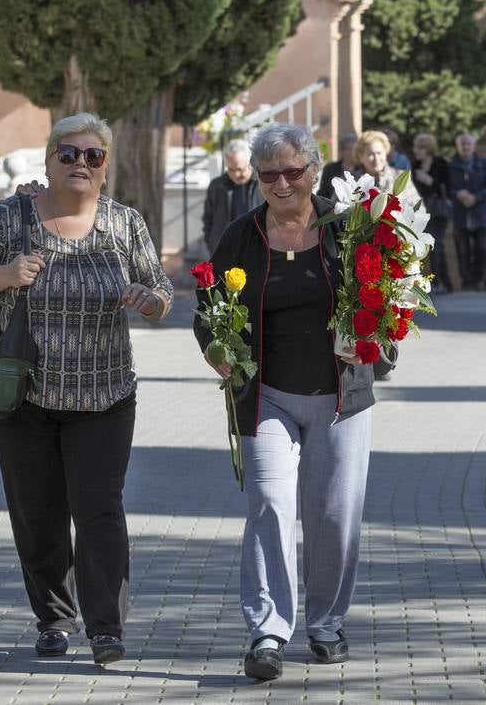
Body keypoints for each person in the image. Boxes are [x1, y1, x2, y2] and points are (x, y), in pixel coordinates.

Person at [0, 113, 173, 666]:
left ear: (105, 167)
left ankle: (106, 628)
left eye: (92, 155)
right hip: (24, 397)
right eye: (68, 154)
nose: (80, 163)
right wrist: (4, 276)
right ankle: (53, 619)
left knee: (99, 510)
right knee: (38, 513)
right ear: (49, 161)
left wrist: (151, 301)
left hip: (104, 397)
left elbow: (162, 288)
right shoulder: (14, 217)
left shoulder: (124, 223)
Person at [194, 123, 387, 682]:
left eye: (292, 172)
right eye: (269, 174)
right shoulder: (241, 235)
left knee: (333, 515)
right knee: (270, 506)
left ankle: (326, 623)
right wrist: (216, 348)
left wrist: (376, 337)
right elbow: (208, 305)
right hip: (266, 397)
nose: (281, 183)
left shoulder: (350, 227)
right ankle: (269, 631)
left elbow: (390, 295)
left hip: (341, 395)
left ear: (315, 170)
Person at [448, 132, 486, 292]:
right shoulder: (452, 166)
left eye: (468, 144)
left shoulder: (483, 164)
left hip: (480, 213)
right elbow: (446, 187)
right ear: (458, 147)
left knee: (482, 248)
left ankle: (480, 279)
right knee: (463, 250)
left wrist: (476, 197)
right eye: (462, 144)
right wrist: (457, 194)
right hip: (461, 214)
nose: (465, 147)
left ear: (474, 146)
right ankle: (467, 282)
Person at [202, 138, 262, 256]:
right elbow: (208, 220)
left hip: (256, 252)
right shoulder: (217, 186)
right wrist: (212, 245)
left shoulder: (263, 185)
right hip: (225, 253)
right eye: (231, 169)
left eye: (240, 169)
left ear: (250, 164)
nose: (235, 175)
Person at [410, 132, 452, 294]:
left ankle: (436, 281)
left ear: (428, 148)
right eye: (416, 148)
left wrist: (429, 180)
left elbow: (447, 188)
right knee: (431, 245)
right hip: (422, 210)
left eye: (420, 148)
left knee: (436, 243)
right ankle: (445, 282)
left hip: (439, 211)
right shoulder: (415, 165)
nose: (417, 151)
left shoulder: (441, 164)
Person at [355, 129, 420, 208]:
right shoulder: (352, 181)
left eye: (379, 153)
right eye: (370, 154)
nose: (376, 158)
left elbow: (418, 209)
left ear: (386, 153)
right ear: (360, 157)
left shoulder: (399, 177)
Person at [318, 132, 359, 198]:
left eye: (353, 149)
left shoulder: (362, 170)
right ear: (342, 151)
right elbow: (323, 193)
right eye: (348, 149)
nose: (351, 152)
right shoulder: (330, 169)